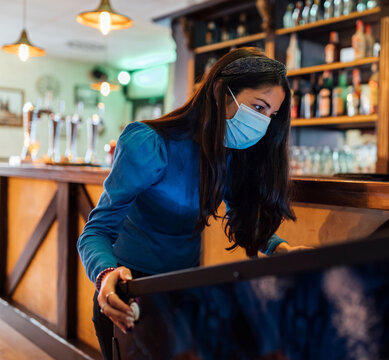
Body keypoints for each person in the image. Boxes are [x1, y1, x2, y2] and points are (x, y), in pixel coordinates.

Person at [77, 47, 309, 359]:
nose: (263, 123)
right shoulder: (149, 143)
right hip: (130, 289)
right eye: (258, 107)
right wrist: (105, 276)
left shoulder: (227, 152)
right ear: (220, 92)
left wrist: (282, 250)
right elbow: (96, 231)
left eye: (271, 115)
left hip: (185, 288)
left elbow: (242, 218)